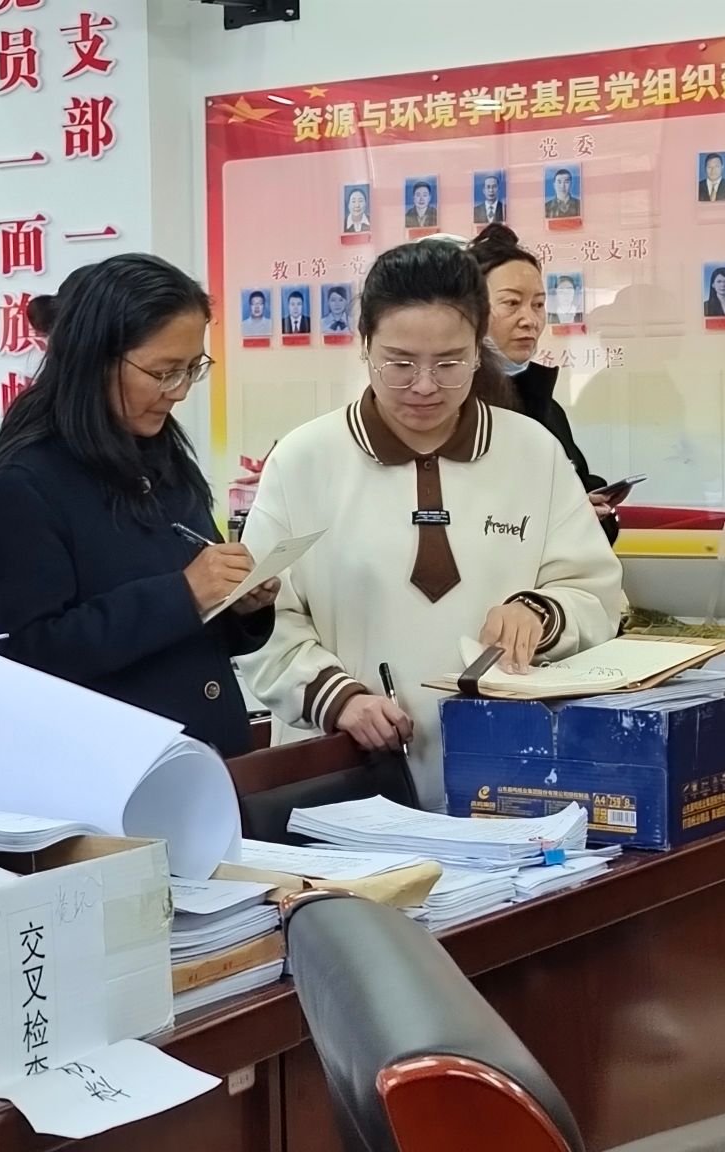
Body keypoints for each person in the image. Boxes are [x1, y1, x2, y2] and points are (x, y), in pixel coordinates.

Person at [235, 238, 624, 807]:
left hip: (510, 773)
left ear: (479, 350)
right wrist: (338, 699)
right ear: (364, 347)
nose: (424, 385)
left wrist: (538, 613)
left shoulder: (532, 452)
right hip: (348, 779)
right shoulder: (305, 460)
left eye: (449, 363)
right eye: (399, 363)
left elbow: (596, 594)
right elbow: (263, 620)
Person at [0, 254, 275, 758]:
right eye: (163, 372)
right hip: (111, 767)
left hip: (206, 757)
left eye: (191, 369)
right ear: (94, 358)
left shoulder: (162, 452)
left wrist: (239, 602)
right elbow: (26, 653)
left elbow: (197, 625)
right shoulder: (26, 482)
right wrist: (184, 594)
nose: (180, 391)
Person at [468, 225, 618, 543]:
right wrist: (564, 518)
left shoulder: (546, 406)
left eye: (538, 304)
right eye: (511, 303)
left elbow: (575, 492)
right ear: (469, 311)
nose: (530, 320)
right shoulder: (450, 409)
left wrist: (591, 510)